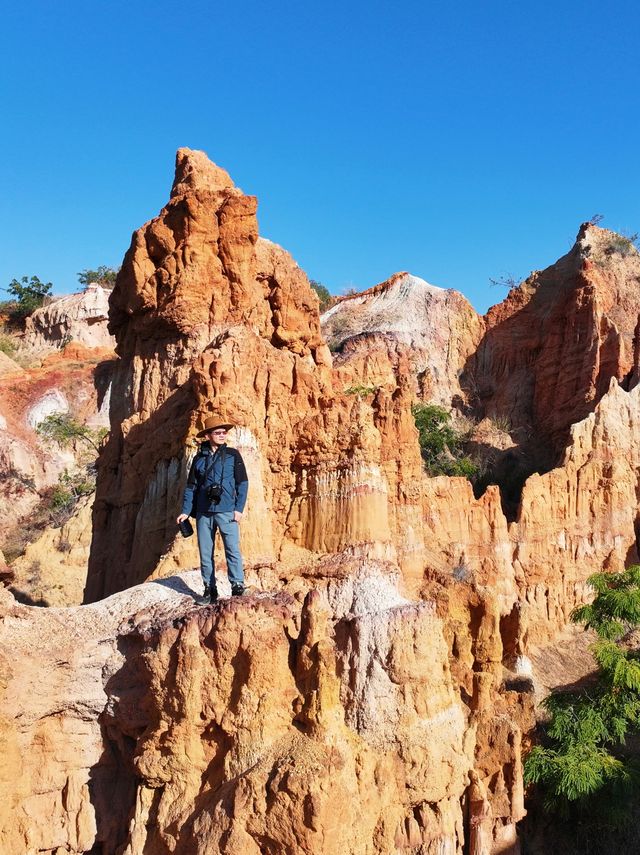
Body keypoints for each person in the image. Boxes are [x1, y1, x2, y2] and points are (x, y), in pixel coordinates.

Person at [177, 416, 248, 604]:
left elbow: (243, 483)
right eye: (218, 432)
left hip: (227, 511)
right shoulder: (199, 459)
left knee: (232, 549)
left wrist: (238, 508)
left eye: (224, 432)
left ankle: (237, 586)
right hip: (203, 512)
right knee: (205, 553)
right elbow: (191, 487)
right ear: (208, 435)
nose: (222, 435)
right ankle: (210, 590)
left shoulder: (233, 455)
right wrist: (186, 511)